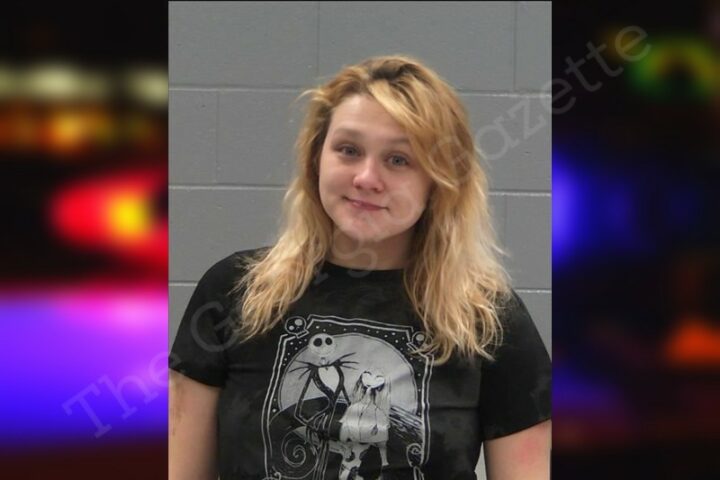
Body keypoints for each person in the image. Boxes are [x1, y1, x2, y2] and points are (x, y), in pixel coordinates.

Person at [169, 54, 551, 480]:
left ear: (439, 181)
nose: (367, 177)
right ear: (316, 158)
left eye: (399, 159)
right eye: (349, 150)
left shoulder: (488, 319)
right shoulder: (234, 291)